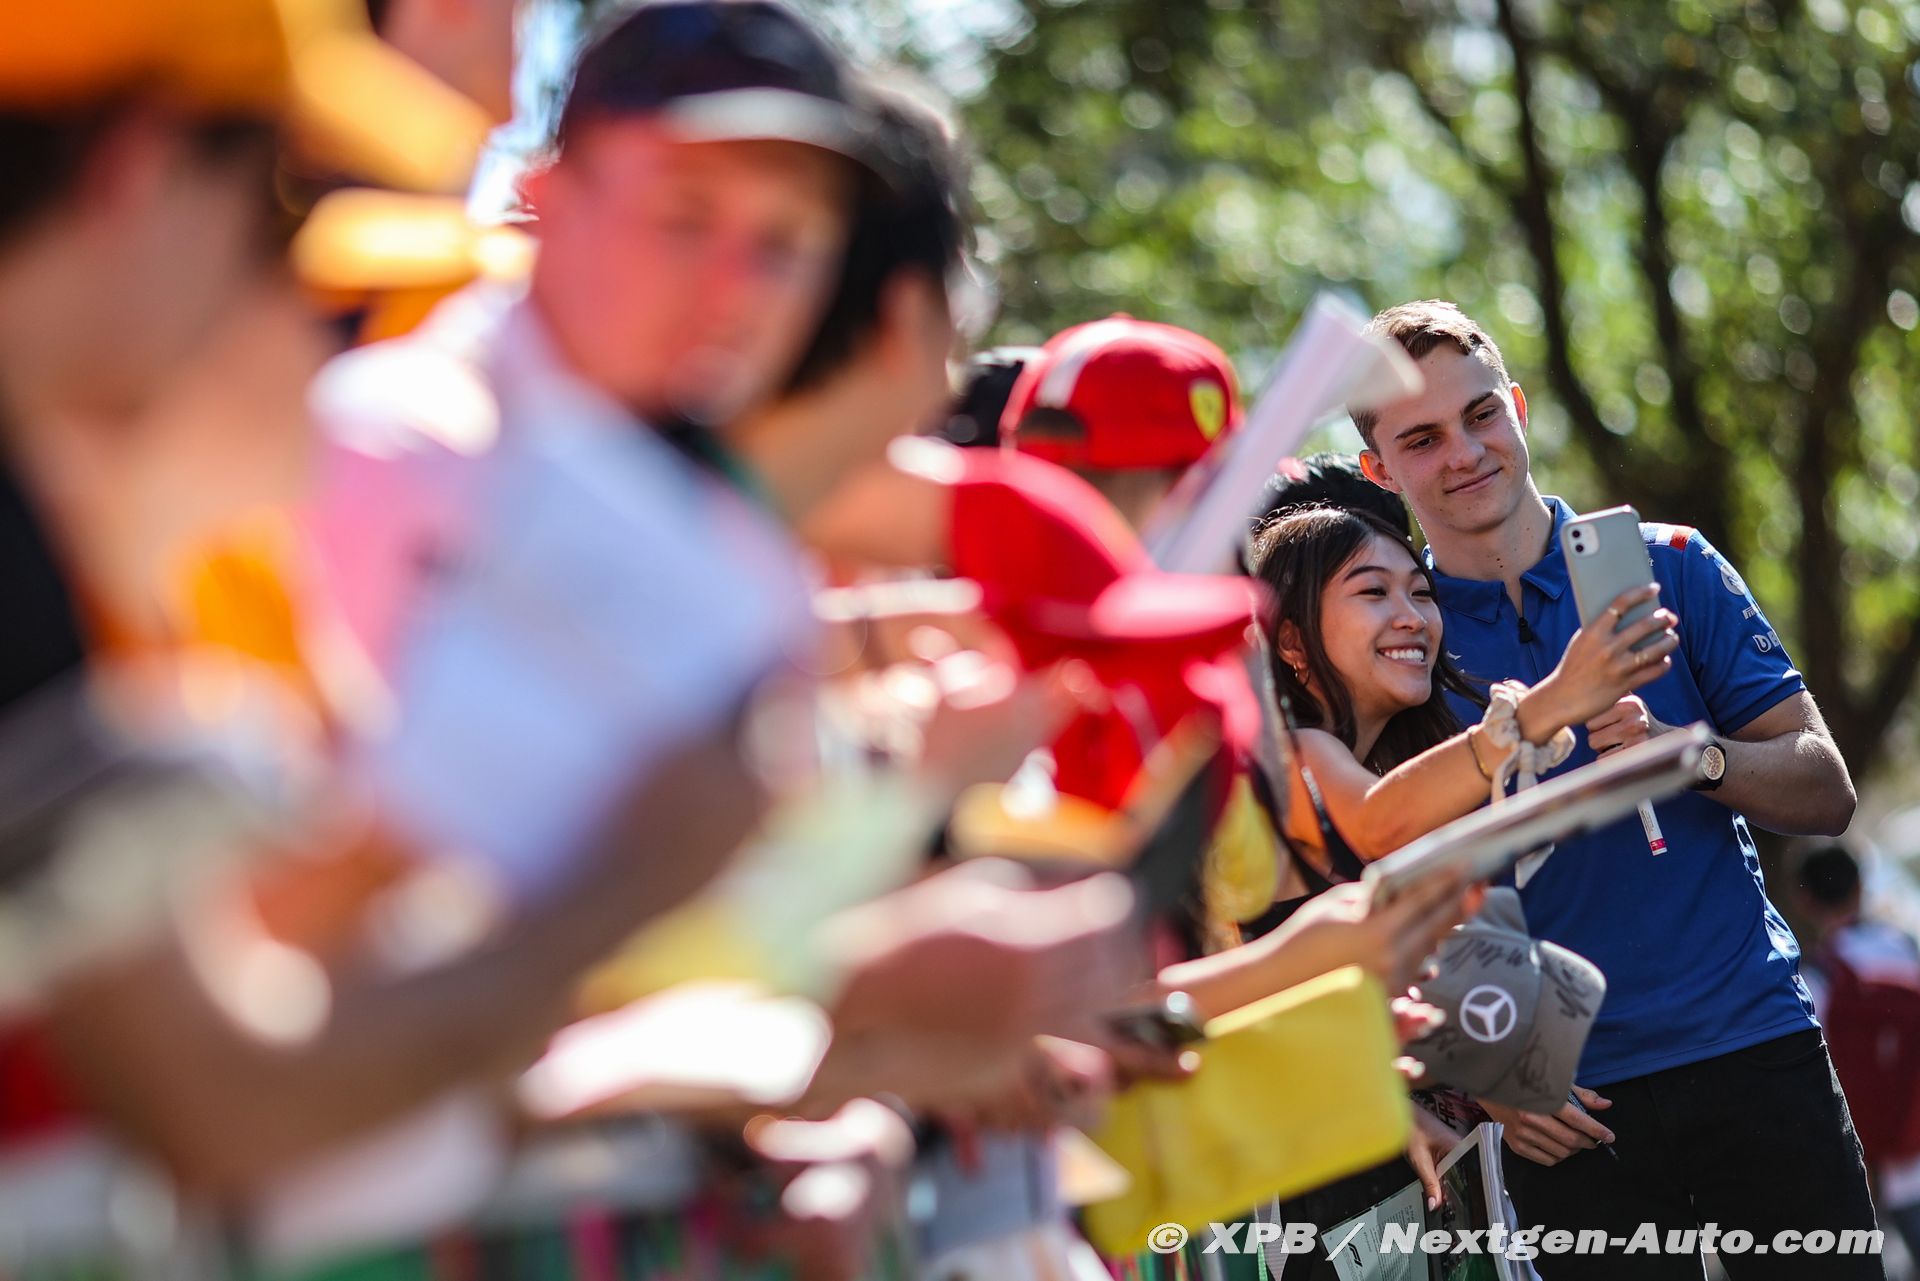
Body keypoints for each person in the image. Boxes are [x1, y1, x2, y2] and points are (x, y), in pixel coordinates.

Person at [1352, 298, 1872, 1280]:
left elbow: (1826, 787)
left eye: (1479, 415)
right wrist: (1484, 1071)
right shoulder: (1395, 634)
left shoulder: (1670, 564)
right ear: (1380, 470)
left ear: (1516, 407)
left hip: (1756, 1047)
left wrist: (1692, 755)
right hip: (1567, 1107)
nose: (1464, 452)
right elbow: (1372, 884)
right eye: (1421, 439)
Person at [1795, 844, 1920, 1266]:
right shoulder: (1904, 947)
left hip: (1875, 1161)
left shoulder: (1815, 978)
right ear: (1861, 887)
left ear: (1804, 900)